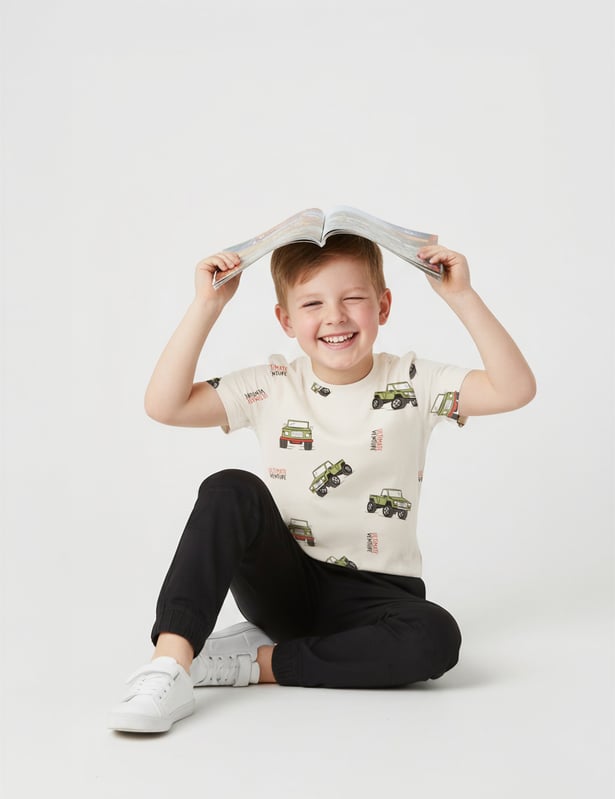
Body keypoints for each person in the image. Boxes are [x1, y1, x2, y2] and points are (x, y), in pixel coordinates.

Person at [108, 233, 536, 733]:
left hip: (380, 596)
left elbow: (514, 389)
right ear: (286, 321)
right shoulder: (269, 385)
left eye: (352, 298)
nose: (335, 316)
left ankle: (254, 663)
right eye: (312, 304)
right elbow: (165, 405)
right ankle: (172, 665)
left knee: (436, 636)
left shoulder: (416, 381)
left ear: (383, 306)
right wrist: (208, 305)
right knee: (229, 487)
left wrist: (460, 295)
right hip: (286, 583)